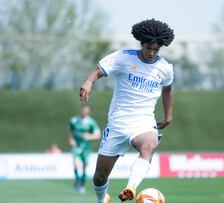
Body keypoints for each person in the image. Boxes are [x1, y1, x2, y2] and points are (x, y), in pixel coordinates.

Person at [79, 19, 174, 203]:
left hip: (144, 122)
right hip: (118, 124)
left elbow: (168, 88)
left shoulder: (165, 68)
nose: (152, 53)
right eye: (149, 48)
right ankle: (102, 199)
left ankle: (131, 187)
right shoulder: (123, 57)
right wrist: (89, 82)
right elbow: (98, 71)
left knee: (149, 145)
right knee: (99, 177)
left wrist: (168, 115)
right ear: (142, 43)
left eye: (156, 49)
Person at [67, 104, 101, 193]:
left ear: (89, 111)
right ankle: (77, 181)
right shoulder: (74, 120)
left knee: (84, 167)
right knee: (75, 165)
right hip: (76, 146)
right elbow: (69, 132)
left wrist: (89, 136)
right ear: (81, 110)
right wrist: (71, 140)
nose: (84, 111)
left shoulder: (91, 122)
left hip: (86, 148)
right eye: (83, 110)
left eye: (87, 110)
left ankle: (81, 184)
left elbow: (98, 135)